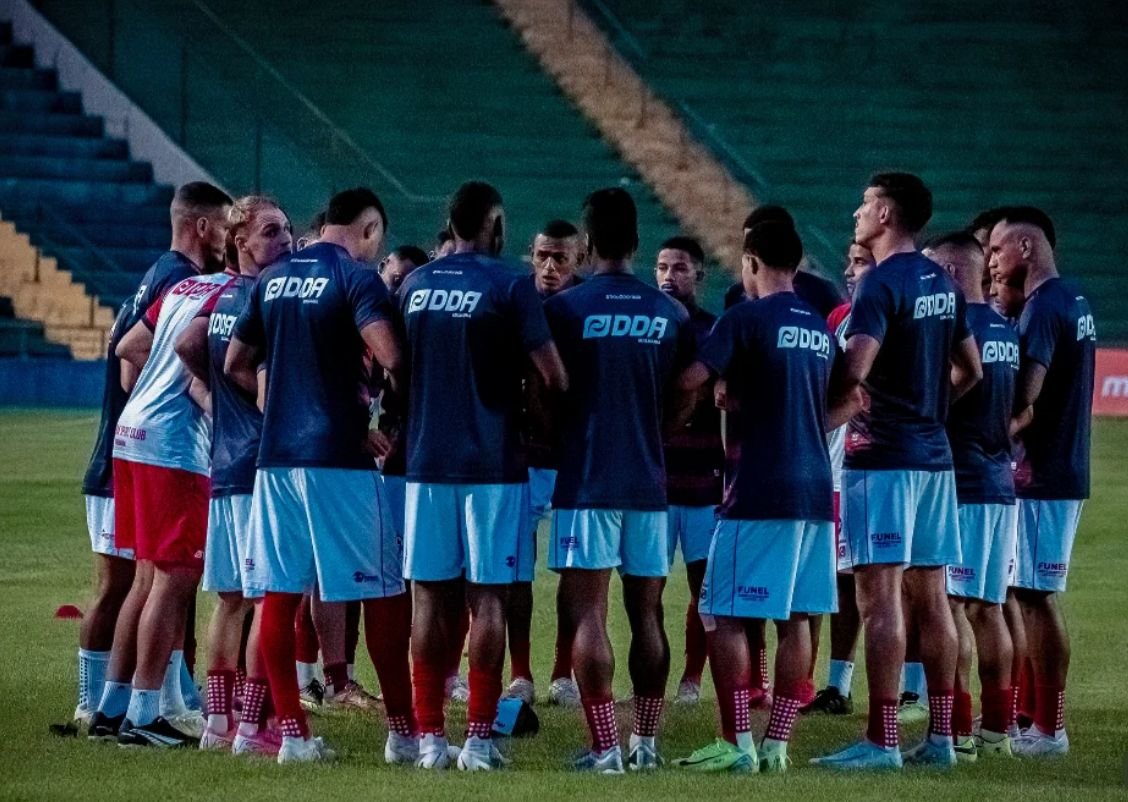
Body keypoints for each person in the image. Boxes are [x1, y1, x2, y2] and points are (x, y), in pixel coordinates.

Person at [226, 187, 415, 765]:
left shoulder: (272, 279)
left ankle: (293, 736)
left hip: (276, 459)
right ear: (370, 227)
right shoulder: (357, 279)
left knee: (278, 597)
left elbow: (236, 362)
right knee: (382, 593)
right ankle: (404, 735)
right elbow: (390, 354)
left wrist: (285, 400)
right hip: (337, 459)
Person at [813, 172, 982, 771]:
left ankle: (882, 740)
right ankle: (940, 739)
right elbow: (972, 371)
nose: (856, 215)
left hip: (881, 458)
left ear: (885, 213)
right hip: (935, 459)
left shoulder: (879, 284)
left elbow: (855, 367)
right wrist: (929, 414)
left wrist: (822, 411)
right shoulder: (941, 280)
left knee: (879, 601)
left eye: (863, 205)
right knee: (932, 598)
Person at [399, 182, 567, 771]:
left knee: (429, 596)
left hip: (424, 463)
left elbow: (396, 370)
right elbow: (552, 375)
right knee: (488, 595)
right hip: (494, 464)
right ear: (494, 224)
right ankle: (477, 739)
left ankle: (426, 739)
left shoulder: (414, 287)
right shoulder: (510, 285)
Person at [673, 220, 851, 773]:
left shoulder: (745, 317)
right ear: (796, 266)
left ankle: (736, 744)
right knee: (796, 618)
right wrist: (795, 421)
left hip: (760, 488)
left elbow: (690, 380)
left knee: (720, 611)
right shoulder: (819, 328)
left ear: (750, 262)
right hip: (816, 489)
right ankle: (777, 745)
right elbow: (852, 400)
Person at [543, 188, 694, 773]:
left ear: (585, 245)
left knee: (587, 613)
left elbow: (543, 392)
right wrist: (659, 433)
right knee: (648, 614)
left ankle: (606, 747)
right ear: (636, 242)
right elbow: (688, 392)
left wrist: (565, 437)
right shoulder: (671, 313)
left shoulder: (565, 309)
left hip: (587, 482)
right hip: (649, 486)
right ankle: (647, 745)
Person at [87, 182, 233, 744]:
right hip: (172, 445)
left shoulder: (181, 285)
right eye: (273, 235)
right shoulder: (230, 293)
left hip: (132, 435)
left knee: (147, 578)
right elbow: (195, 355)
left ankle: (111, 707)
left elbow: (124, 347)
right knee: (174, 581)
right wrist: (204, 393)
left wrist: (162, 383)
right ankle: (145, 717)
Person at [181, 196, 292, 754]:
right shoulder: (266, 299)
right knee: (268, 601)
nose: (287, 240)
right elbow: (265, 386)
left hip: (223, 463)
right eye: (271, 231)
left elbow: (184, 344)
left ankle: (217, 724)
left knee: (228, 601)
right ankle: (254, 727)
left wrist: (215, 400)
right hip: (255, 468)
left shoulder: (221, 294)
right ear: (240, 240)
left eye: (289, 229)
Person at [988, 206, 1096, 757]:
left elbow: (1025, 395)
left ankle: (1049, 730)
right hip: (1062, 467)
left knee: (1034, 596)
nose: (993, 259)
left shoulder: (1043, 308)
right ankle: (1035, 719)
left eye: (998, 249)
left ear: (1025, 249)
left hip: (1042, 473)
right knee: (1027, 593)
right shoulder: (1073, 299)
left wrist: (984, 427)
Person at [922, 231, 1020, 761]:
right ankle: (998, 729)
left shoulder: (954, 332)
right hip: (1000, 483)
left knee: (950, 606)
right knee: (990, 609)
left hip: (961, 484)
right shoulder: (1004, 330)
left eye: (935, 270)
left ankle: (957, 728)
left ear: (955, 274)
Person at [509, 219, 586, 708]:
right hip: (525, 458)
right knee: (517, 568)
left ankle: (563, 672)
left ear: (580, 260)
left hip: (575, 460)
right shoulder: (516, 303)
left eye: (560, 257)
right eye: (542, 256)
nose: (550, 266)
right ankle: (521, 674)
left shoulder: (585, 312)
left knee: (575, 570)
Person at [803, 240, 875, 715]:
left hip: (867, 471)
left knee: (866, 584)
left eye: (861, 263)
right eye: (850, 262)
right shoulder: (838, 320)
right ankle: (828, 686)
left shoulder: (891, 318)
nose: (851, 271)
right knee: (828, 580)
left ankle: (856, 684)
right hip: (830, 471)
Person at [653, 235, 724, 706]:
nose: (667, 276)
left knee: (705, 590)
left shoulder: (714, 331)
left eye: (679, 268)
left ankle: (692, 680)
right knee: (648, 588)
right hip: (655, 483)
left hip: (702, 483)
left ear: (700, 275)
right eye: (661, 266)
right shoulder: (649, 325)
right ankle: (655, 678)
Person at [722, 205, 844, 317]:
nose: (748, 251)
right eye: (746, 244)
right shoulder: (735, 294)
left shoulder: (821, 291)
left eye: (755, 241)